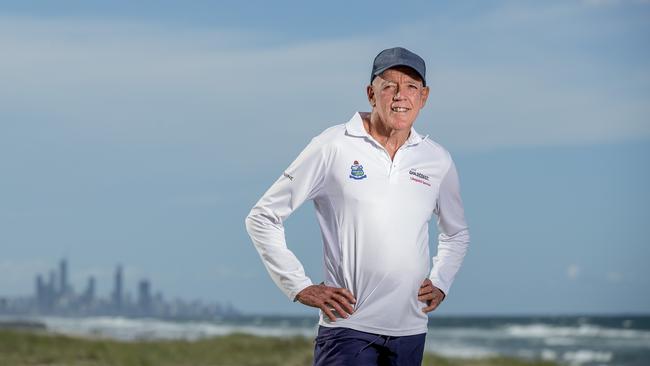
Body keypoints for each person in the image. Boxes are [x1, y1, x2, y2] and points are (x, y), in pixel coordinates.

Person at [245, 47, 470, 366]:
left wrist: (442, 280)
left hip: (411, 330)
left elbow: (456, 233)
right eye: (389, 85)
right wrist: (300, 287)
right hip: (348, 329)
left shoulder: (437, 160)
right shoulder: (333, 145)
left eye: (411, 87)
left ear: (424, 97)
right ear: (370, 93)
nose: (399, 96)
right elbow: (262, 218)